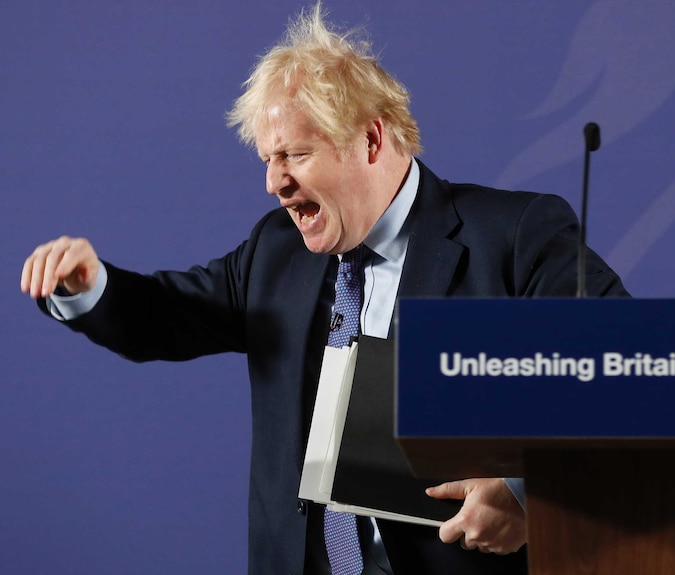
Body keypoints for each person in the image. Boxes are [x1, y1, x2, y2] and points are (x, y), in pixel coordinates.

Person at [21, 4, 628, 574]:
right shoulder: (276, 249)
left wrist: (525, 492)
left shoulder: (514, 236)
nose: (273, 183)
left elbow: (620, 368)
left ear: (370, 138)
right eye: (266, 159)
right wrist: (91, 285)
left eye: (294, 155)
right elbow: (169, 314)